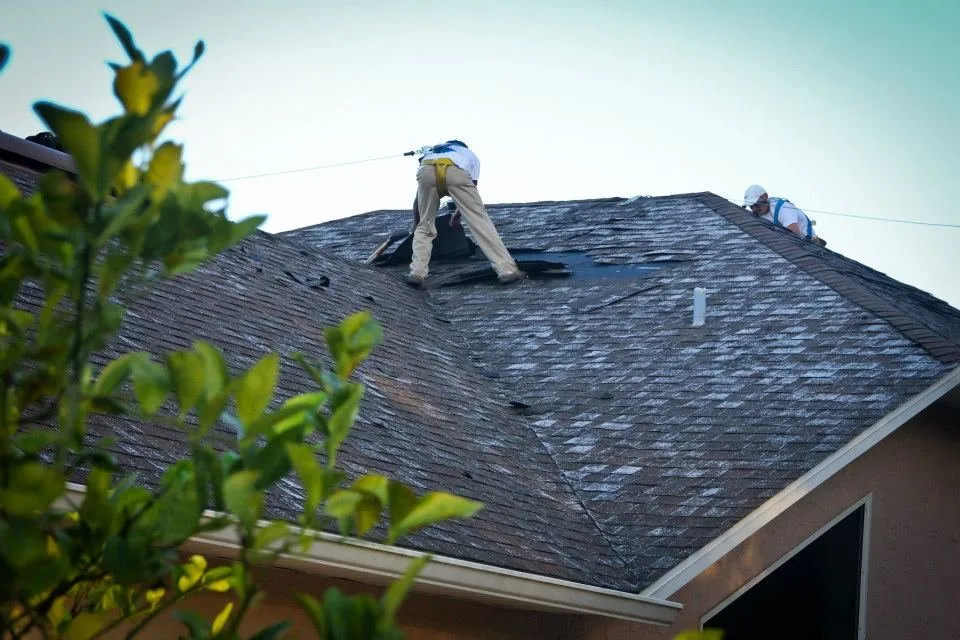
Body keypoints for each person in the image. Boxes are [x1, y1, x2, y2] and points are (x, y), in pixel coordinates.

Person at [408, 141, 525, 287]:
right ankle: (507, 271)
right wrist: (459, 214)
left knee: (425, 226)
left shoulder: (433, 151)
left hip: (426, 170)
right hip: (456, 172)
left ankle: (417, 273)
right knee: (479, 221)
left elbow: (417, 199)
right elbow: (470, 194)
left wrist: (416, 221)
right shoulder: (469, 155)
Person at [743, 185, 826, 246]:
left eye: (756, 205)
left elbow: (794, 235)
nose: (754, 209)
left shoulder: (783, 208)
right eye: (751, 206)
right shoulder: (759, 213)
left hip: (809, 245)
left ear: (765, 197)